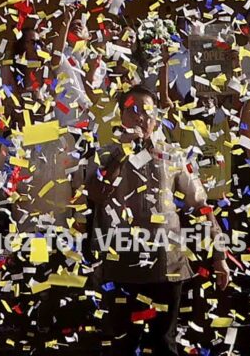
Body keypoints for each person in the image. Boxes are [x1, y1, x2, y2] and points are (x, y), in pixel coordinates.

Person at [84, 85, 208, 356]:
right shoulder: (104, 154)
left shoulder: (174, 154)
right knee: (123, 343)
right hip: (123, 263)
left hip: (167, 263)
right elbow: (96, 193)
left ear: (157, 117)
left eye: (147, 111)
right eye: (133, 110)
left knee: (164, 343)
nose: (141, 118)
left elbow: (199, 203)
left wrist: (219, 254)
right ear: (121, 116)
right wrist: (121, 153)